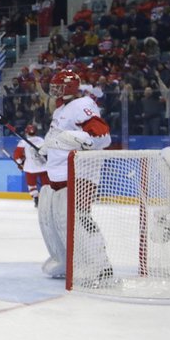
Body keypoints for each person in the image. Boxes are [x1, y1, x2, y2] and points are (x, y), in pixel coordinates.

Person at [37, 68, 113, 281]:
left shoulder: (83, 105)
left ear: (70, 87)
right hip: (58, 173)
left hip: (80, 172)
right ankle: (66, 259)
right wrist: (45, 149)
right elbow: (57, 138)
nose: (54, 90)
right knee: (53, 218)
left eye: (58, 87)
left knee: (79, 216)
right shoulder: (60, 110)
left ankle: (100, 266)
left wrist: (68, 139)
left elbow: (102, 137)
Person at [13, 124, 47, 207]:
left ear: (26, 132)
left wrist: (20, 163)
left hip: (30, 168)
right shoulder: (42, 140)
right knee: (46, 185)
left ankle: (36, 199)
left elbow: (17, 156)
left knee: (32, 185)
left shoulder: (23, 142)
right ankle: (47, 199)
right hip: (44, 166)